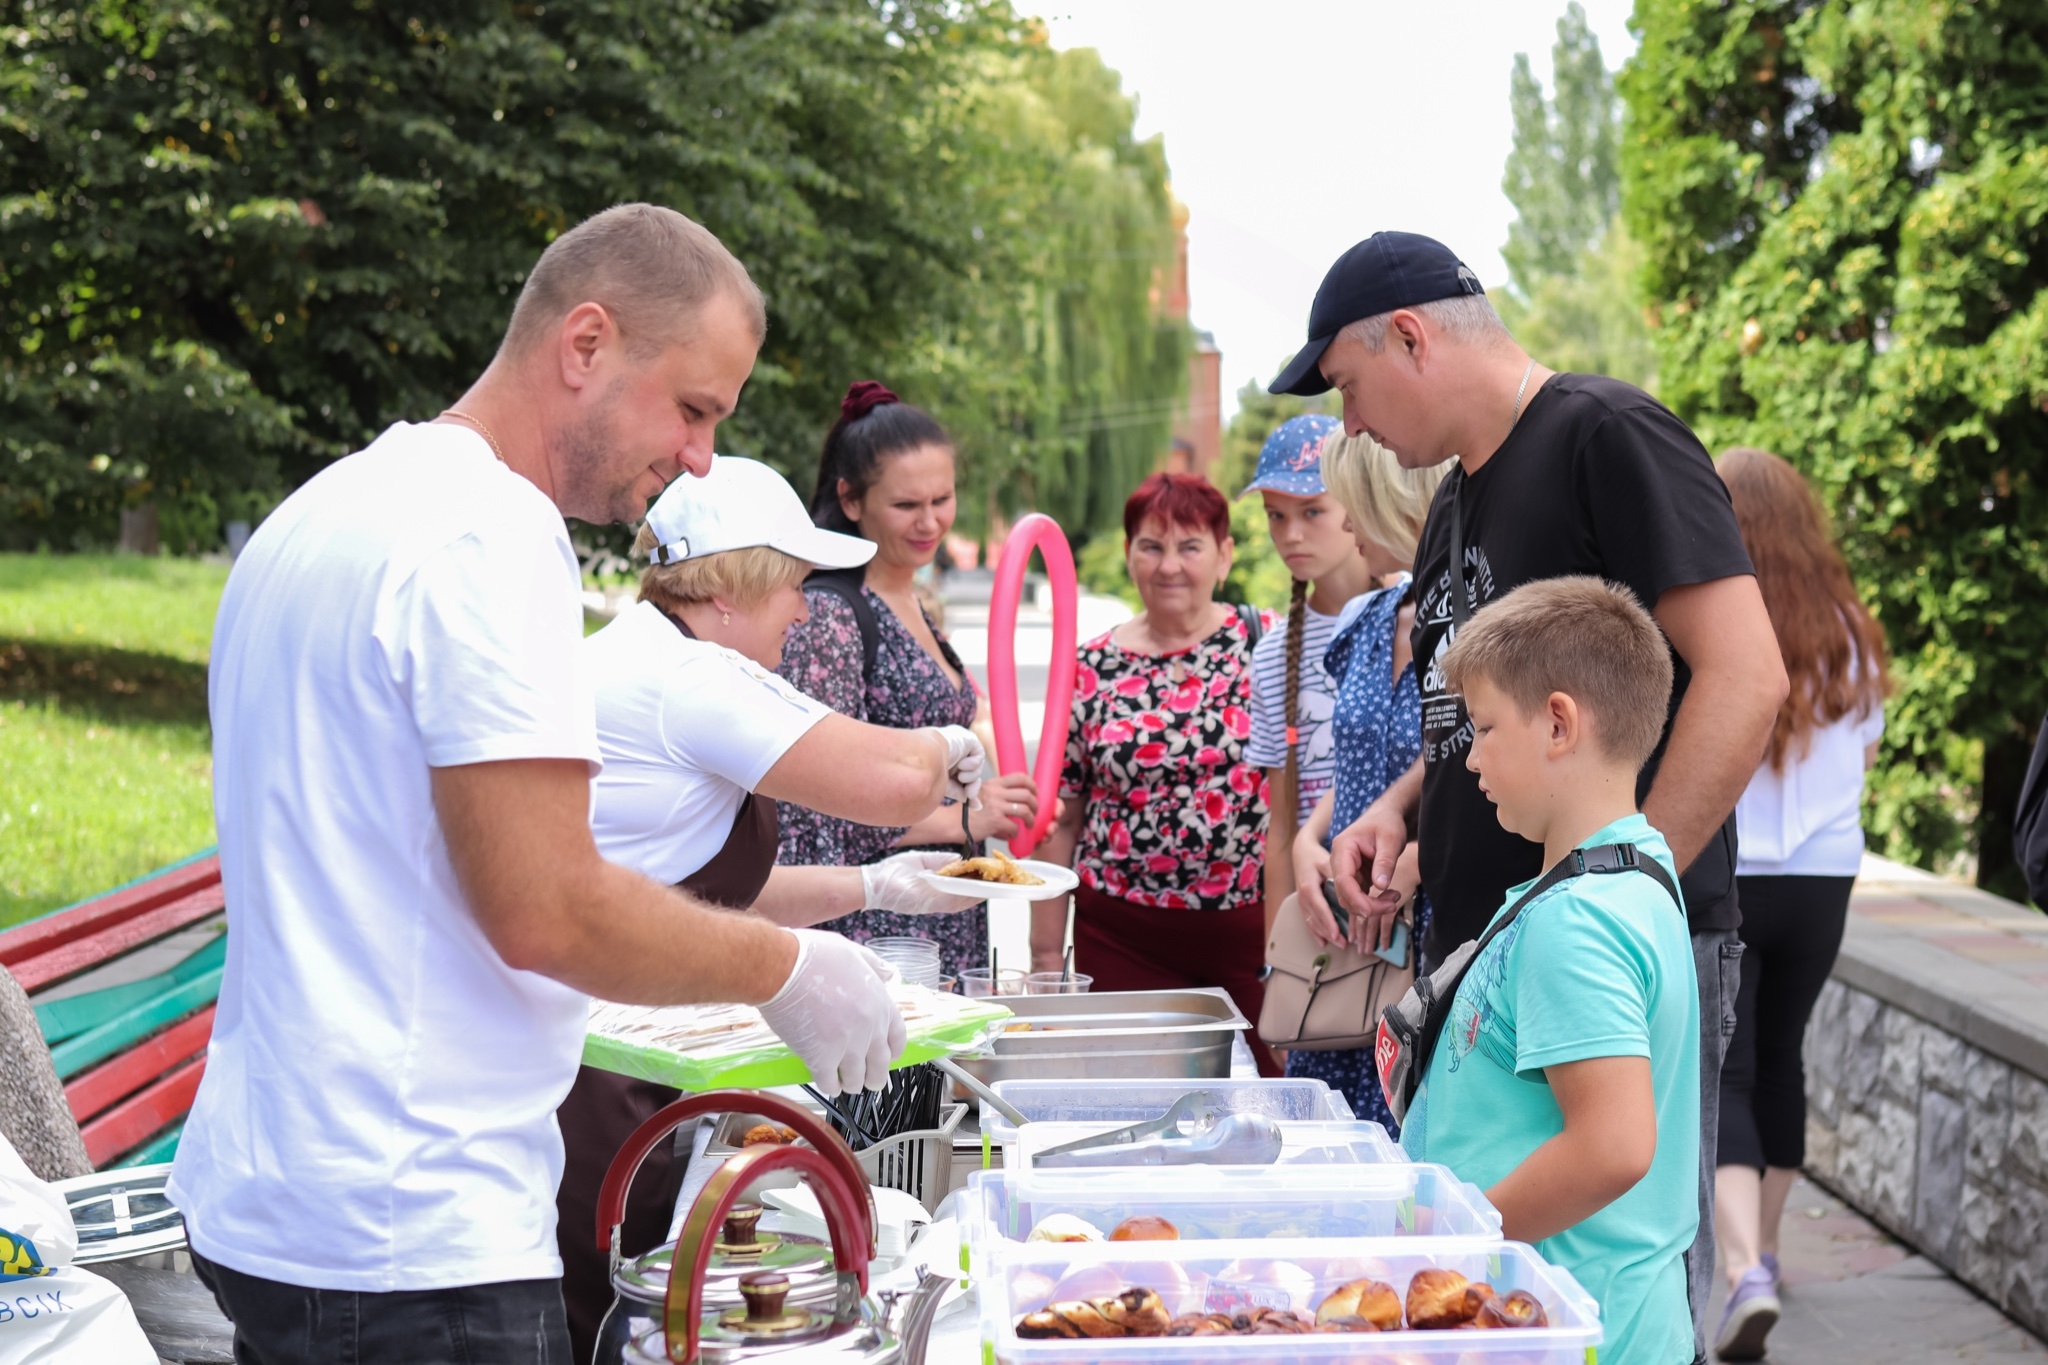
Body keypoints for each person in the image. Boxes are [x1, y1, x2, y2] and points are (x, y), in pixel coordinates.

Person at [172, 205, 907, 1364]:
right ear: (586, 344)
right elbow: (543, 905)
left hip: (276, 1200)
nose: (701, 459)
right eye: (693, 408)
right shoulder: (490, 537)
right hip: (412, 1232)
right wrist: (791, 966)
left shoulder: (319, 512)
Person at [1273, 230, 1788, 1358]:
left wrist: (1619, 876)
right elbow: (1485, 709)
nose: (1349, 425)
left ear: (1409, 336)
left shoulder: (1604, 436)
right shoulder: (1457, 495)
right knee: (1505, 1310)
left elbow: (1745, 674)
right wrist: (1402, 808)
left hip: (1594, 950)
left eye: (1348, 388)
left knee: (1610, 1282)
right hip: (1498, 951)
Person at [556, 455, 989, 1359]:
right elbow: (889, 782)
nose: (802, 609)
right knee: (614, 1316)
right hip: (592, 1069)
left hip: (621, 1035)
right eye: (793, 584)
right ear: (732, 588)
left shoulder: (657, 652)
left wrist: (871, 888)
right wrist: (953, 743)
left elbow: (711, 891)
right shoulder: (689, 679)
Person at [1401, 576, 1699, 1365]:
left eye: (1486, 727)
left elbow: (1613, 1146)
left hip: (1569, 1328)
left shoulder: (1579, 921)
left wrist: (1456, 1240)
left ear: (1559, 723)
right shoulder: (1622, 876)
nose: (1470, 760)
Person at [1710, 447, 1891, 1359]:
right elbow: (1861, 753)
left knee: (1727, 1069)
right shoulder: (1849, 625)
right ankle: (1767, 1253)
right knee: (1783, 1059)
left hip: (1733, 871)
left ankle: (1742, 1262)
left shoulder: (1712, 620)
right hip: (1825, 876)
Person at [777, 382, 1041, 978]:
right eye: (905, 506)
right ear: (849, 499)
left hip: (934, 908)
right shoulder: (829, 613)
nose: (930, 523)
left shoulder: (911, 597)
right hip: (880, 930)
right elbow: (816, 800)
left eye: (942, 499)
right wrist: (964, 819)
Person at [1036, 472, 1281, 1075]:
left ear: (1224, 556)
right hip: (1122, 934)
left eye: (1190, 546)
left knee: (1282, 1097)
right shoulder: (1089, 665)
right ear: (1128, 555)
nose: (1170, 565)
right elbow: (1063, 812)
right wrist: (1044, 961)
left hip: (1254, 936)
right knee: (1129, 1105)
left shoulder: (1268, 642)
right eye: (1151, 546)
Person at [1283, 432, 1446, 1126]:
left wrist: (1414, 859)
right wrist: (1307, 842)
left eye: (1353, 506)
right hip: (1343, 915)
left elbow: (1468, 760)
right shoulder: (1362, 620)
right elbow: (1352, 761)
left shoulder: (1475, 625)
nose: (1346, 525)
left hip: (1425, 920)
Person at [1238, 413, 1375, 934]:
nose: (1290, 534)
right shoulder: (1273, 654)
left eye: (1312, 510)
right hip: (1320, 915)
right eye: (1275, 515)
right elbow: (1280, 830)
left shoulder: (1416, 615)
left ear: (1356, 499)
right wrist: (1279, 959)